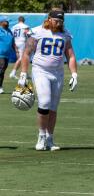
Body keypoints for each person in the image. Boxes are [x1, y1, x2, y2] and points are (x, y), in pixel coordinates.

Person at [18, 9, 78, 151]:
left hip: (58, 73)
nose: (58, 23)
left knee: (53, 108)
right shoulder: (37, 31)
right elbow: (26, 53)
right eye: (56, 20)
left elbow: (70, 56)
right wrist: (23, 73)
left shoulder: (65, 34)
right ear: (49, 19)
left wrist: (74, 74)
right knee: (44, 102)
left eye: (61, 21)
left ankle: (50, 138)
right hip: (40, 70)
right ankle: (41, 136)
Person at [0, 16, 16, 94]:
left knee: (3, 71)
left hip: (7, 54)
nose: (8, 23)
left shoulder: (9, 31)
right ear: (1, 22)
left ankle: (0, 86)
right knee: (2, 68)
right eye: (6, 22)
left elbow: (12, 41)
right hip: (0, 53)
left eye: (8, 22)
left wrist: (16, 50)